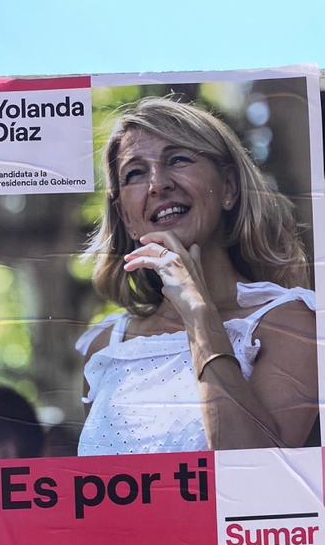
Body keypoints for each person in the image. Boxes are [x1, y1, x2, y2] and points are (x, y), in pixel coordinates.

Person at [77, 96, 318, 455]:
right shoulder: (105, 345)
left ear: (229, 188)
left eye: (178, 159)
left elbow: (257, 472)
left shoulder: (291, 321)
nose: (157, 185)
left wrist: (197, 311)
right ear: (126, 217)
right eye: (135, 173)